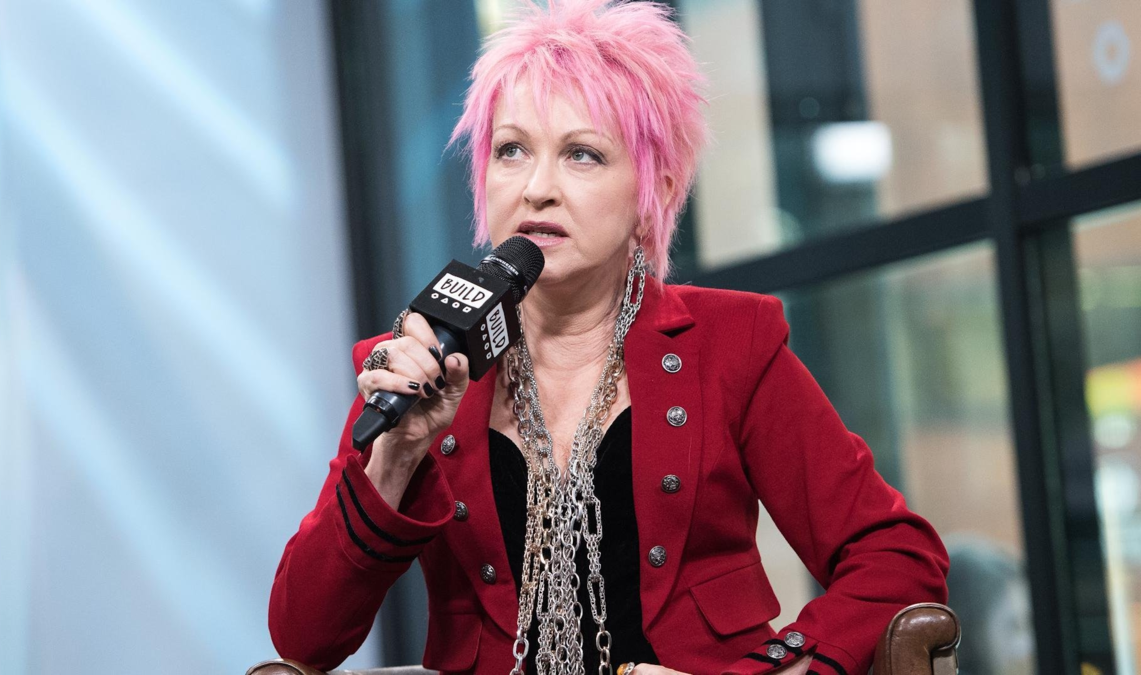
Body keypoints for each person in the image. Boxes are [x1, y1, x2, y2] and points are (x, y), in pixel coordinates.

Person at [268, 1, 949, 674]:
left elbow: (896, 559)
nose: (537, 188)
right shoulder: (420, 360)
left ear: (656, 189)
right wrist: (393, 460)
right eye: (511, 150)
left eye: (582, 154)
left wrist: (769, 673)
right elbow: (303, 637)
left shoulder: (729, 345)